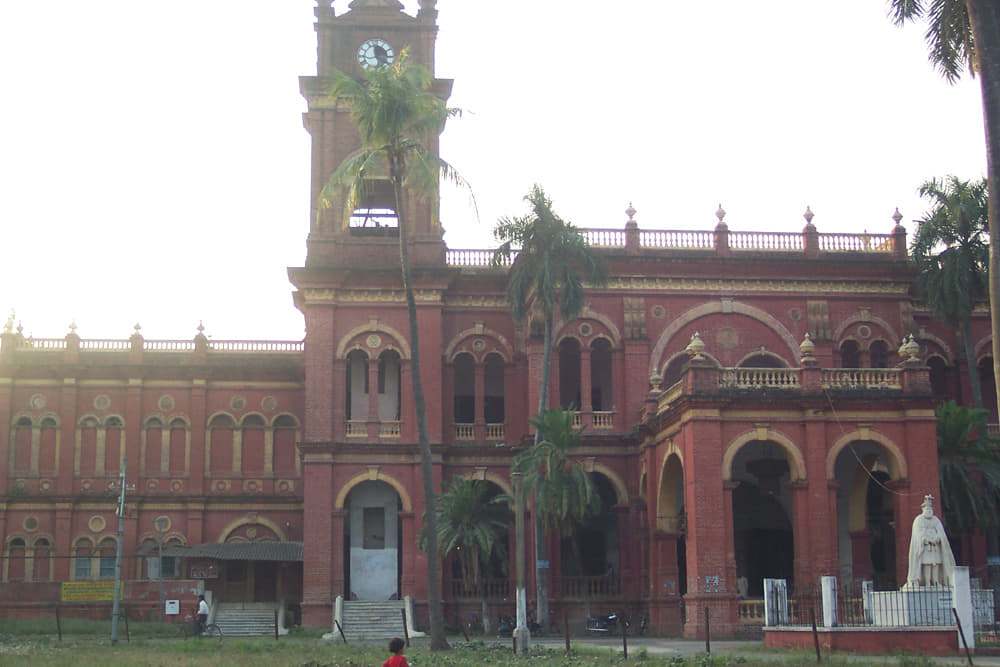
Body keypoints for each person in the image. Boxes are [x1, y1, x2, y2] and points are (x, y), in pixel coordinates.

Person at [906, 494, 956, 587]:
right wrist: (927, 539)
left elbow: (941, 532)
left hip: (935, 547)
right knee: (927, 564)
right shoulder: (919, 520)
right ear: (923, 510)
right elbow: (918, 534)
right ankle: (928, 582)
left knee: (936, 564)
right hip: (925, 547)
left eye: (930, 509)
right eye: (927, 509)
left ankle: (936, 581)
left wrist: (937, 538)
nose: (929, 511)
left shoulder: (935, 520)